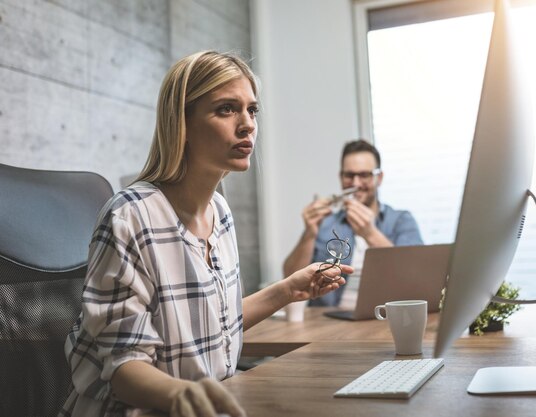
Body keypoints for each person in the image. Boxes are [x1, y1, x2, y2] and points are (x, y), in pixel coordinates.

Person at [59, 51, 351, 417]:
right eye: (227, 109)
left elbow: (215, 323)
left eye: (252, 110)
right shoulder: (130, 215)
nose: (247, 125)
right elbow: (123, 368)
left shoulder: (221, 212)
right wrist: (181, 395)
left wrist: (289, 289)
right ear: (181, 122)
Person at [282, 139, 422, 307]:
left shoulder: (401, 221)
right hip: (328, 320)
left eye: (364, 175)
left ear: (379, 178)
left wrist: (370, 234)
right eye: (349, 175)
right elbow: (291, 280)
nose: (355, 184)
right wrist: (309, 233)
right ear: (341, 177)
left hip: (384, 316)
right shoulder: (326, 224)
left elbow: (415, 277)